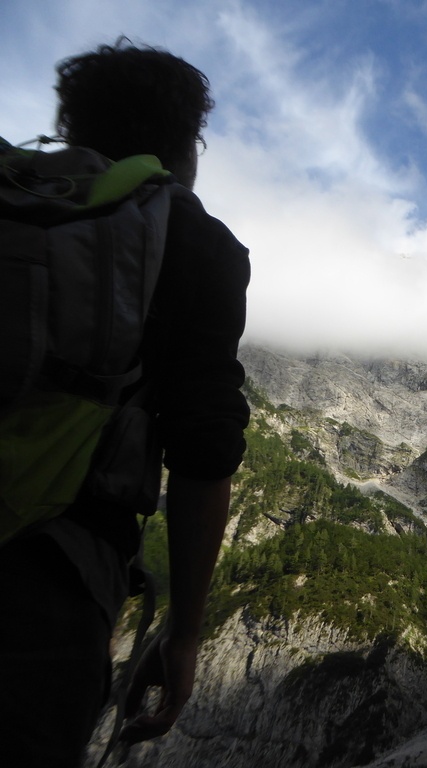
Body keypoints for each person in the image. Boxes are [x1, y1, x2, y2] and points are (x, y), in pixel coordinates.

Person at [0, 41, 250, 767]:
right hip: (50, 585)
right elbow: (205, 451)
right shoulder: (189, 237)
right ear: (185, 146)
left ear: (70, 125)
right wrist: (184, 634)